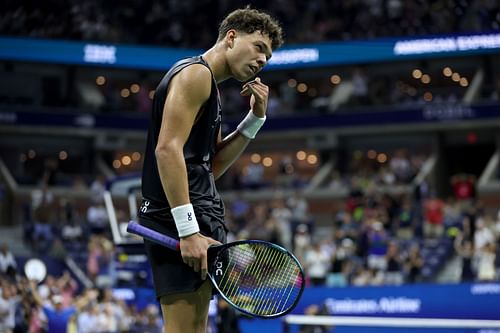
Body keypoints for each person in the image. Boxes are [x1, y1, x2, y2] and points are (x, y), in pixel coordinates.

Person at [137, 6, 283, 333]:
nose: (263, 60)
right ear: (231, 38)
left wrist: (255, 120)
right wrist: (188, 229)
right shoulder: (195, 75)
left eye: (268, 57)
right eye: (259, 47)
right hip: (178, 220)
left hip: (198, 216)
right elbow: (167, 149)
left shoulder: (211, 88)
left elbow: (209, 165)